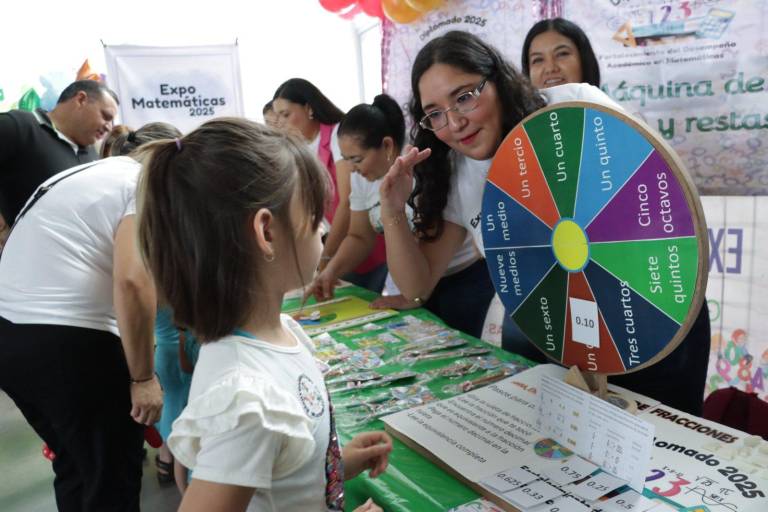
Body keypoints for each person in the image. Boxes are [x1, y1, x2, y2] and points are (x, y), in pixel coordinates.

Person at [136, 118, 390, 512]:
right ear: (267, 232)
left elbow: (278, 476)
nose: (322, 230)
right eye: (313, 216)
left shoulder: (283, 333)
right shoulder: (247, 399)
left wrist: (334, 464)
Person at [521, 18, 711, 415]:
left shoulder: (616, 125)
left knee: (664, 425)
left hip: (652, 301)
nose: (549, 68)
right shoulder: (528, 150)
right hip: (584, 310)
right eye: (536, 60)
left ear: (585, 64)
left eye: (562, 54)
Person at [0, 122, 176, 511]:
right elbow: (133, 281)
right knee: (111, 474)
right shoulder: (141, 181)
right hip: (67, 342)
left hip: (12, 336)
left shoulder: (89, 175)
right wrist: (143, 378)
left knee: (78, 466)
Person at [305, 94, 491, 337]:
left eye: (357, 159)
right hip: (410, 280)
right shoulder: (360, 177)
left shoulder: (421, 170)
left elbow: (428, 252)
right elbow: (360, 236)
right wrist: (329, 271)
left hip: (459, 280)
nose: (352, 168)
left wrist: (415, 294)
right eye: (346, 159)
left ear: (387, 146)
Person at [273, 78, 387, 293]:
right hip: (337, 241)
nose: (280, 121)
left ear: (308, 108)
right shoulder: (303, 146)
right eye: (277, 115)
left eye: (286, 114)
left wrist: (326, 256)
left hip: (360, 242)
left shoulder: (337, 135)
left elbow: (345, 201)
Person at [0, 79, 118, 228]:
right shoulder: (20, 126)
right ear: (81, 99)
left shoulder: (93, 157)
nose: (109, 127)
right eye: (106, 116)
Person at [521, 17, 600, 89]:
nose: (550, 68)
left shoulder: (605, 104)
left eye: (562, 54)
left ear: (584, 60)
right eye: (538, 60)